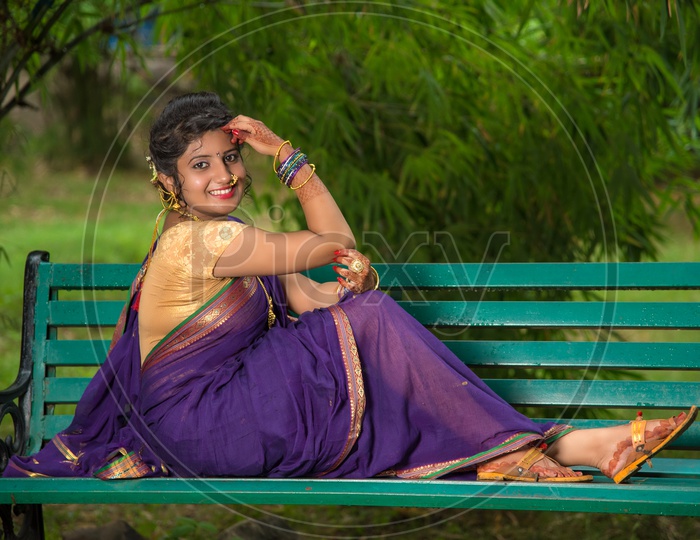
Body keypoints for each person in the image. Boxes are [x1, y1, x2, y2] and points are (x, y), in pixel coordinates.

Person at [4, 92, 696, 483]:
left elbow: (328, 290)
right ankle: (549, 448)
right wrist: (291, 162)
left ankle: (552, 450)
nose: (225, 174)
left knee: (368, 312)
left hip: (221, 418)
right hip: (203, 430)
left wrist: (353, 288)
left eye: (233, 157)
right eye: (200, 165)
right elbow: (332, 243)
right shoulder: (201, 240)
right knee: (369, 318)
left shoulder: (229, 238)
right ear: (169, 182)